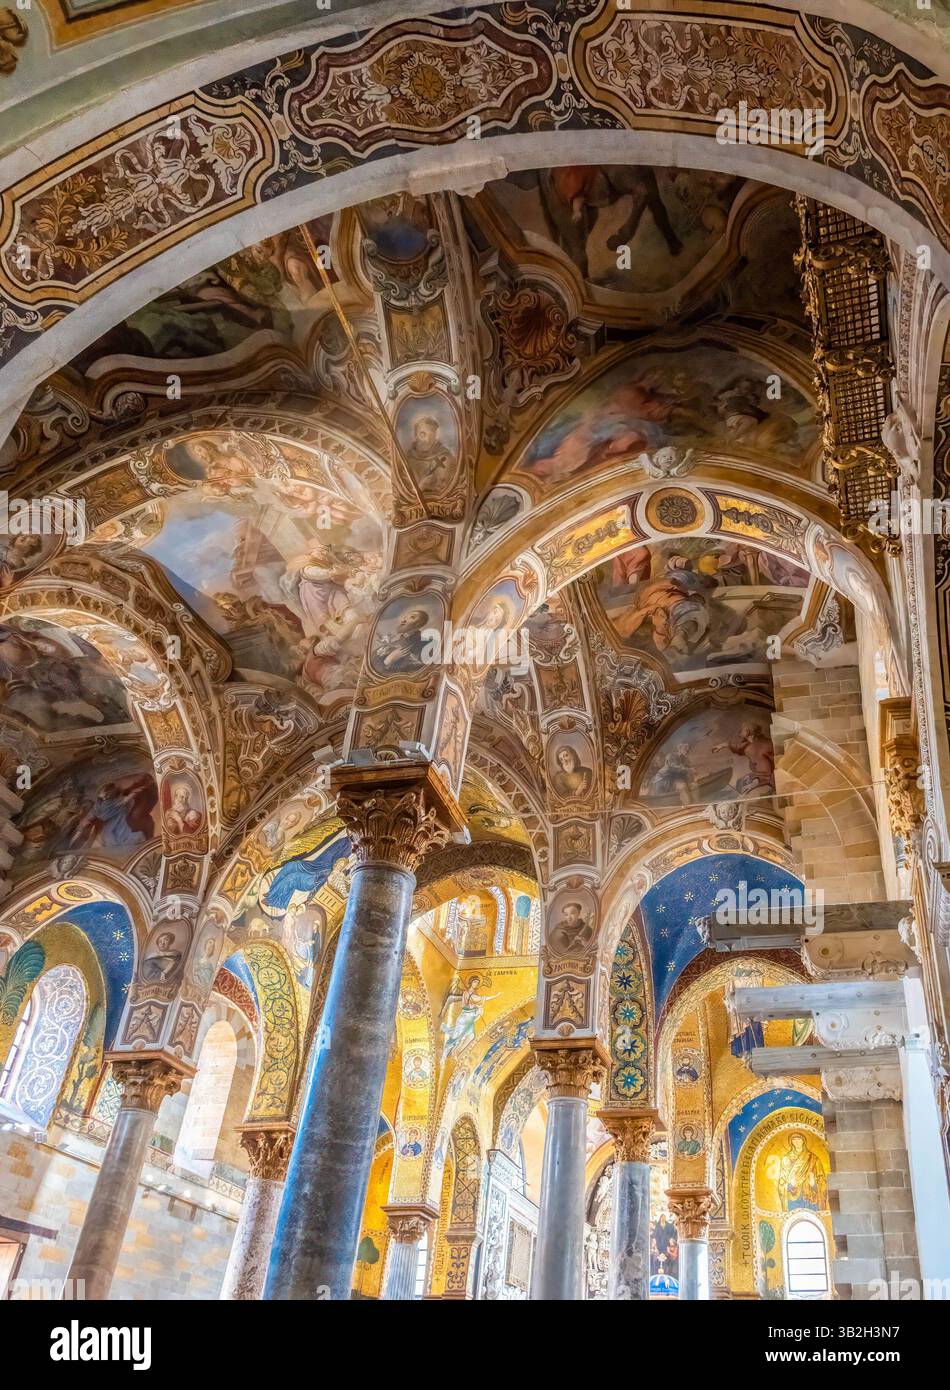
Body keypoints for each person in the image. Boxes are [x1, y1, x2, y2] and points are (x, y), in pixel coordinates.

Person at [778, 1131, 826, 1211]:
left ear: (803, 1141)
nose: (797, 1142)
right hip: (793, 1196)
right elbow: (782, 1181)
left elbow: (822, 1179)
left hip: (810, 1195)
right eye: (794, 1140)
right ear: (791, 1142)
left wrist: (814, 1184)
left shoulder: (813, 1158)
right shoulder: (786, 1159)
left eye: (799, 1139)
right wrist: (790, 1184)